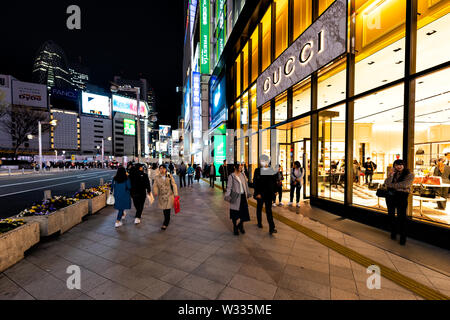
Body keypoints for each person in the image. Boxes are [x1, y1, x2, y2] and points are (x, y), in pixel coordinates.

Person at [384, 159, 414, 245]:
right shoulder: (394, 174)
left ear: (404, 165)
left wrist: (392, 186)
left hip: (402, 196)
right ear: (394, 166)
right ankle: (393, 232)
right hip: (391, 196)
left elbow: (405, 185)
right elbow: (386, 183)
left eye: (400, 164)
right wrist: (390, 175)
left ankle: (402, 237)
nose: (399, 166)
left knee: (401, 217)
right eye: (397, 165)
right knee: (391, 215)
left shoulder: (410, 175)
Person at [253, 155, 277, 234]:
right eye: (261, 161)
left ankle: (271, 227)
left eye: (263, 161)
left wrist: (275, 191)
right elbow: (255, 183)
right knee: (259, 208)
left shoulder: (271, 170)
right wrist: (257, 193)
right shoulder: (257, 170)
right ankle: (259, 223)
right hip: (260, 195)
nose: (262, 162)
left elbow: (274, 182)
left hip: (268, 195)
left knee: (269, 210)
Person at [225, 163, 251, 235]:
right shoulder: (231, 176)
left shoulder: (242, 175)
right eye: (239, 166)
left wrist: (248, 193)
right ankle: (235, 227)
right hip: (235, 197)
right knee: (235, 214)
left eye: (241, 166)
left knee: (244, 214)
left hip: (243, 196)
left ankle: (240, 225)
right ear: (235, 167)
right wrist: (228, 196)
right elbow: (229, 187)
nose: (240, 167)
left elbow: (246, 185)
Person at [153, 164, 178, 230]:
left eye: (163, 168)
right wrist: (155, 192)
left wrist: (176, 194)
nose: (162, 170)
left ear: (165, 169)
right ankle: (167, 219)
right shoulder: (157, 177)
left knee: (167, 208)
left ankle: (166, 222)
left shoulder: (169, 176)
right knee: (164, 209)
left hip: (169, 195)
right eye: (160, 168)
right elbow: (155, 185)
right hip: (162, 195)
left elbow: (174, 185)